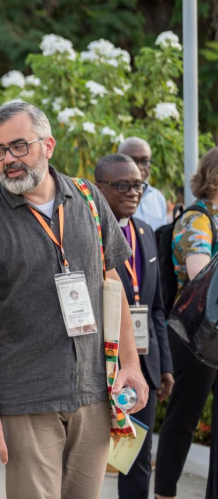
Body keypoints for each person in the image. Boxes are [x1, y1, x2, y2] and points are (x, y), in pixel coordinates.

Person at [0, 101, 148, 499]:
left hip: (94, 391)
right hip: (25, 398)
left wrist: (131, 364)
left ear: (49, 145)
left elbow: (112, 284)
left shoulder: (89, 199)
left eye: (20, 146)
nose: (9, 160)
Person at [94, 154, 173, 499]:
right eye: (121, 185)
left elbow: (156, 307)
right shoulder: (86, 234)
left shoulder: (144, 232)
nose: (132, 191)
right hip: (100, 366)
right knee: (92, 458)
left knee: (136, 456)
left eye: (137, 183)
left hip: (143, 364)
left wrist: (164, 365)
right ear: (99, 189)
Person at [156, 146, 218, 499]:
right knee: (183, 418)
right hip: (195, 333)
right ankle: (165, 493)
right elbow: (201, 276)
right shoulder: (197, 219)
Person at [118, 137, 168, 230]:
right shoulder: (115, 197)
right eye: (132, 160)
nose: (139, 166)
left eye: (144, 161)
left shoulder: (158, 198)